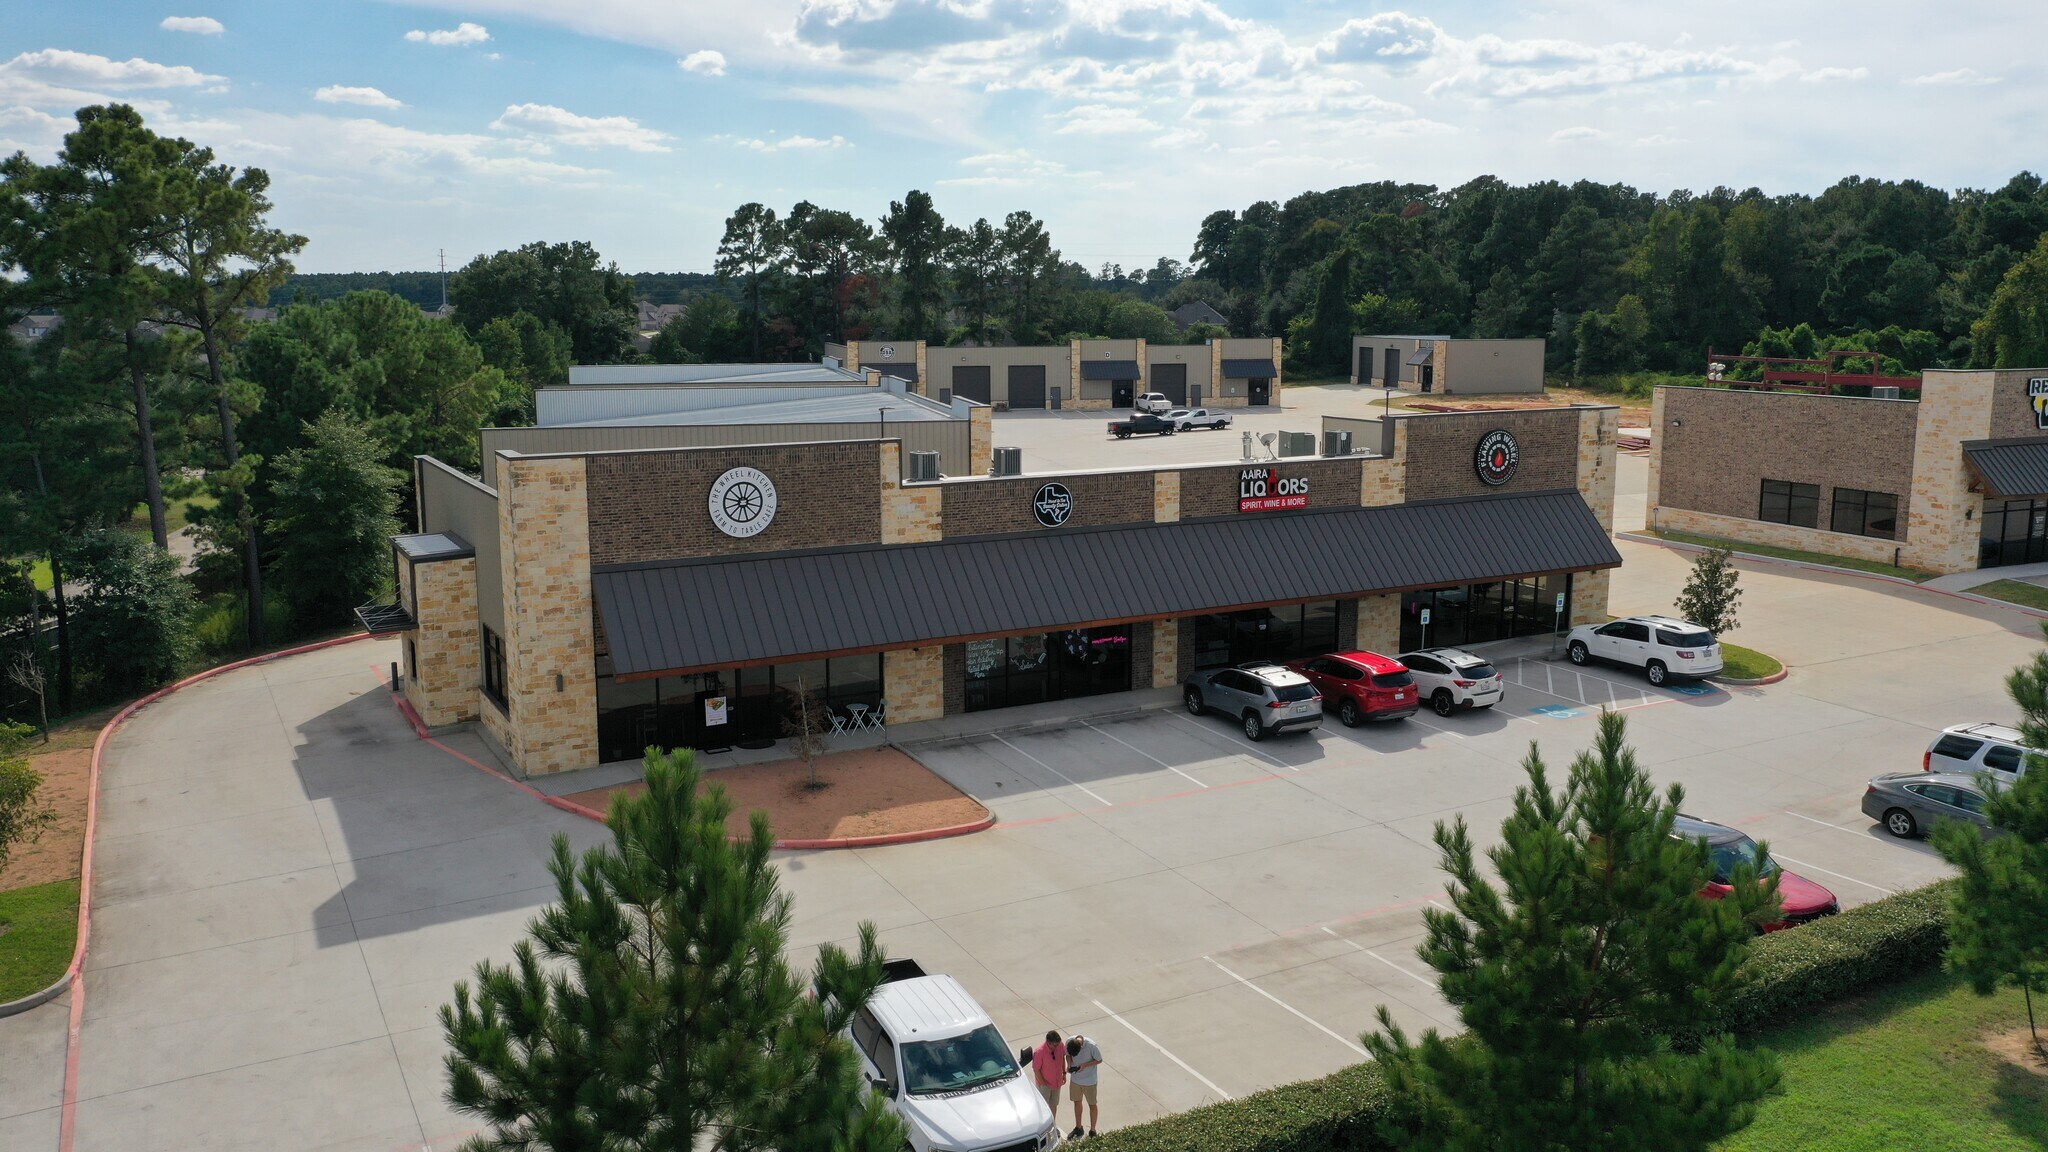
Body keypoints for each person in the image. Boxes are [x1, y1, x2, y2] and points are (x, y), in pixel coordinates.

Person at [1065, 1033, 1102, 1139]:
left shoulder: (1092, 1046)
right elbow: (1067, 1055)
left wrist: (1085, 1065)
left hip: (1089, 1081)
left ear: (1081, 1047)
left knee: (1092, 1105)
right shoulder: (1069, 1042)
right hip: (1075, 1080)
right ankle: (1078, 1127)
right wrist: (1069, 1064)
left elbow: (1099, 1060)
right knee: (1077, 1102)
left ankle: (1093, 1130)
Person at [1030, 1030, 1066, 1115]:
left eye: (1058, 1044)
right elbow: (1036, 1069)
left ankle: (1053, 1122)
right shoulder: (1039, 1052)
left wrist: (1064, 1073)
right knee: (1044, 1106)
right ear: (1048, 1042)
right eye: (1055, 1045)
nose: (1057, 1046)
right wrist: (1043, 1084)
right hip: (1045, 1085)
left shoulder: (1060, 1045)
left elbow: (1062, 1059)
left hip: (1057, 1083)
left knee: (1054, 1105)